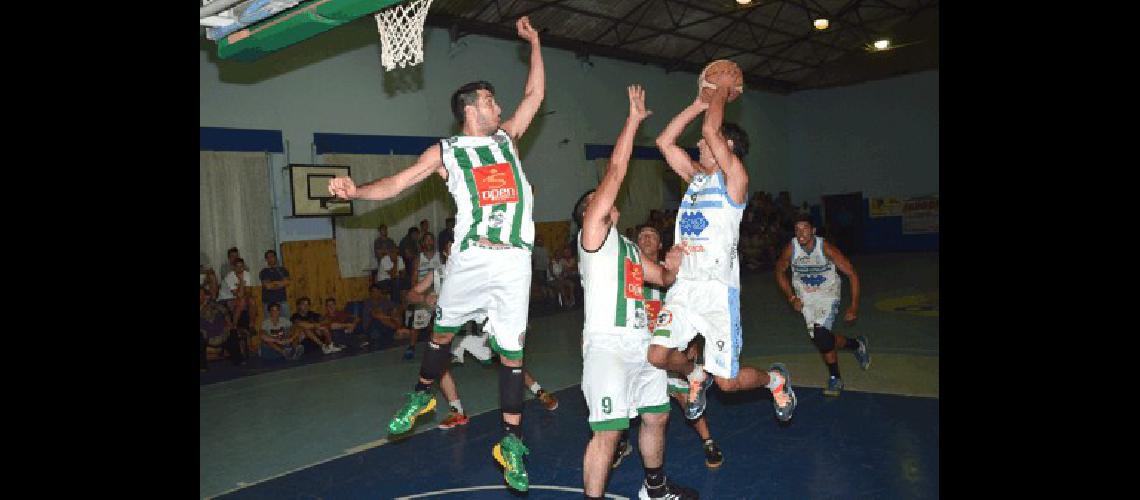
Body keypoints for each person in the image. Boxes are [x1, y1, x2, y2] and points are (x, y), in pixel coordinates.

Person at [328, 16, 545, 492]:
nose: (499, 105)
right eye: (490, 100)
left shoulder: (506, 140)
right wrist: (356, 191)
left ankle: (510, 440)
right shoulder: (446, 152)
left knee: (512, 356)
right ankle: (421, 395)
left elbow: (534, 98)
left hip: (514, 260)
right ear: (471, 108)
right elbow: (400, 183)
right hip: (472, 256)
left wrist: (534, 44)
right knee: (442, 331)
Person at [571, 85, 696, 500]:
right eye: (594, 199)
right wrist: (633, 121)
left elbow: (661, 277)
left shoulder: (625, 247)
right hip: (608, 346)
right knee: (609, 432)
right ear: (589, 213)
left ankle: (655, 490)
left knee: (656, 418)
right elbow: (617, 170)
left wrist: (681, 254)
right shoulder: (593, 236)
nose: (603, 198)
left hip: (642, 344)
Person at [648, 84, 797, 423]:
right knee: (657, 355)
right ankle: (695, 374)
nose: (699, 143)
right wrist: (697, 102)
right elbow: (663, 143)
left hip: (717, 291)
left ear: (725, 146)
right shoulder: (696, 179)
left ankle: (776, 381)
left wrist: (720, 90)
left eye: (706, 143)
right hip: (685, 285)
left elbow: (709, 129)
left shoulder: (735, 179)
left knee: (729, 384)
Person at [612, 225, 724, 470]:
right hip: (636, 346)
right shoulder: (627, 272)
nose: (645, 238)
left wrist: (695, 342)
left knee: (684, 395)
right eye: (641, 235)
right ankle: (621, 442)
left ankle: (708, 441)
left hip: (668, 346)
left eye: (651, 235)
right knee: (620, 396)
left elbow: (693, 308)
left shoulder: (674, 272)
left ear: (661, 244)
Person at [775, 213, 869, 396]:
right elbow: (779, 271)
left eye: (805, 228)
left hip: (828, 294)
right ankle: (856, 345)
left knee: (821, 335)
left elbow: (852, 274)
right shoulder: (791, 249)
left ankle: (835, 378)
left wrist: (854, 306)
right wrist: (792, 298)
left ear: (813, 231)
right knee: (822, 338)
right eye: (797, 229)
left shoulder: (825, 248)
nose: (801, 233)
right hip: (805, 297)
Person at [259, 249, 291, 318]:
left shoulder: (283, 270)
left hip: (282, 300)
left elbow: (287, 282)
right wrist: (280, 283)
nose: (270, 259)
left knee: (287, 324)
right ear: (266, 259)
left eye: (272, 256)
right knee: (269, 325)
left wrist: (273, 283)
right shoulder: (264, 271)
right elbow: (268, 286)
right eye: (268, 257)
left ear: (276, 257)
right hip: (268, 301)